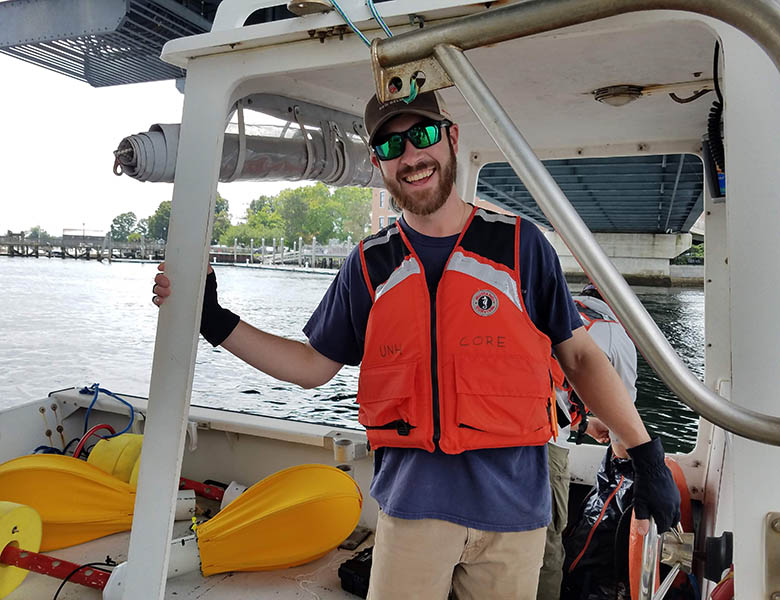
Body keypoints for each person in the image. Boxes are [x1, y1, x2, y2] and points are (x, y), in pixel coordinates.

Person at [152, 90, 680, 600]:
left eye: (421, 134)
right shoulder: (367, 265)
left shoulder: (521, 246)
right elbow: (313, 366)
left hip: (514, 515)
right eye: (390, 146)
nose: (409, 155)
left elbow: (582, 357)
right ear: (379, 164)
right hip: (410, 514)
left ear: (450, 138)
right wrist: (216, 322)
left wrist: (645, 452)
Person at [537, 283, 638, 600]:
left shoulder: (541, 308)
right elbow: (624, 423)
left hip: (488, 439)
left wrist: (583, 424)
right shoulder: (615, 334)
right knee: (547, 542)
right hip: (543, 445)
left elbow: (544, 387)